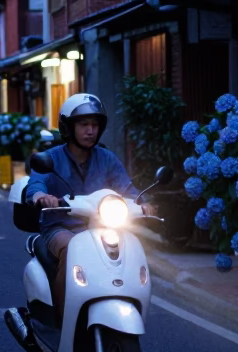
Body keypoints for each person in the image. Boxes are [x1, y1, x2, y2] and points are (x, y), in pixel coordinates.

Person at [26, 94, 148, 314]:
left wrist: (144, 204)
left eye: (94, 125)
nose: (90, 131)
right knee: (72, 249)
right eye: (84, 125)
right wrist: (41, 197)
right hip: (61, 227)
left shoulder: (107, 158)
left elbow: (128, 189)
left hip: (103, 227)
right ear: (68, 127)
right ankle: (64, 314)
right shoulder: (50, 158)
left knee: (128, 246)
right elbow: (36, 185)